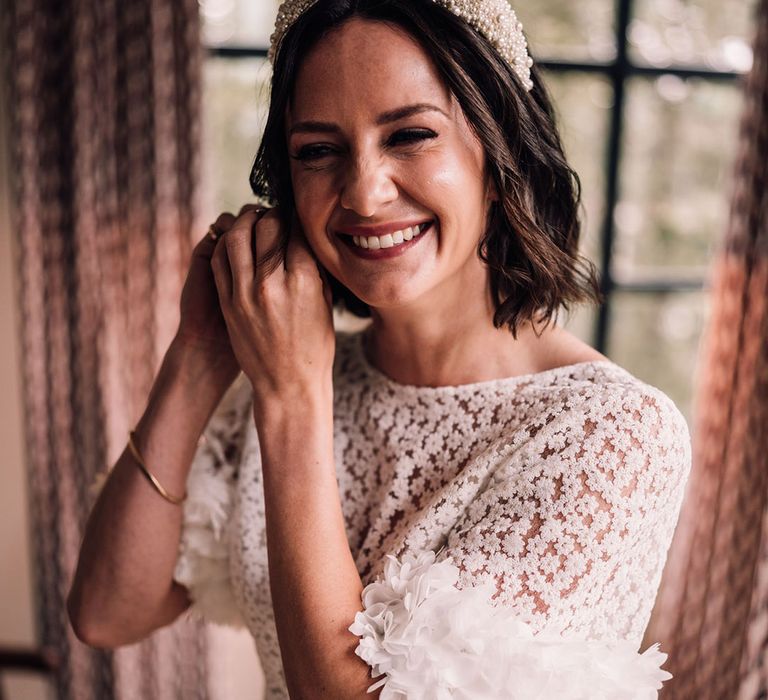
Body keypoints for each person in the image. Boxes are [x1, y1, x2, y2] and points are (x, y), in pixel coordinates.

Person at [68, 0, 692, 697]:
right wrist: (198, 352)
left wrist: (294, 400)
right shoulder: (290, 374)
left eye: (410, 135)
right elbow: (105, 612)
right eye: (318, 151)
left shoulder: (611, 433)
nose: (364, 194)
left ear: (500, 146)